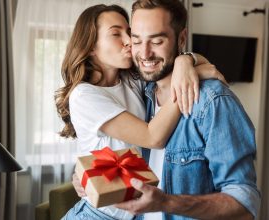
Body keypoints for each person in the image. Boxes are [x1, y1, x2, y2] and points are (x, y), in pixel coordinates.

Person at [56, 4, 225, 220]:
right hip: (96, 215)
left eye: (129, 33)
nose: (129, 41)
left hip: (135, 215)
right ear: (90, 46)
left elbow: (166, 62)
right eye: (116, 34)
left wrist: (186, 61)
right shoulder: (84, 95)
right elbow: (151, 137)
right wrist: (194, 76)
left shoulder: (131, 80)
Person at [114, 0, 261, 219]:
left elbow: (246, 202)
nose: (144, 54)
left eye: (156, 41)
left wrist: (167, 202)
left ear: (181, 38)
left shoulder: (212, 101)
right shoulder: (140, 93)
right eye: (137, 41)